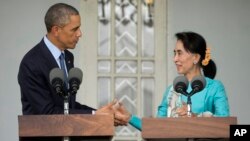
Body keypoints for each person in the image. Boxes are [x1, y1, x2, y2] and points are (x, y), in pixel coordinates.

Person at [18, 3, 116, 140]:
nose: (80, 34)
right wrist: (95, 116)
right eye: (74, 29)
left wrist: (98, 113)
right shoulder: (32, 63)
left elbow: (67, 105)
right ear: (56, 30)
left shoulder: (68, 57)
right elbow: (47, 113)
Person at [114, 31, 230, 131]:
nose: (175, 59)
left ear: (196, 58)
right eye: (174, 53)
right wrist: (129, 118)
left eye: (179, 53)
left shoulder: (214, 87)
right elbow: (157, 128)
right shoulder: (172, 90)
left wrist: (195, 117)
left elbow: (225, 125)